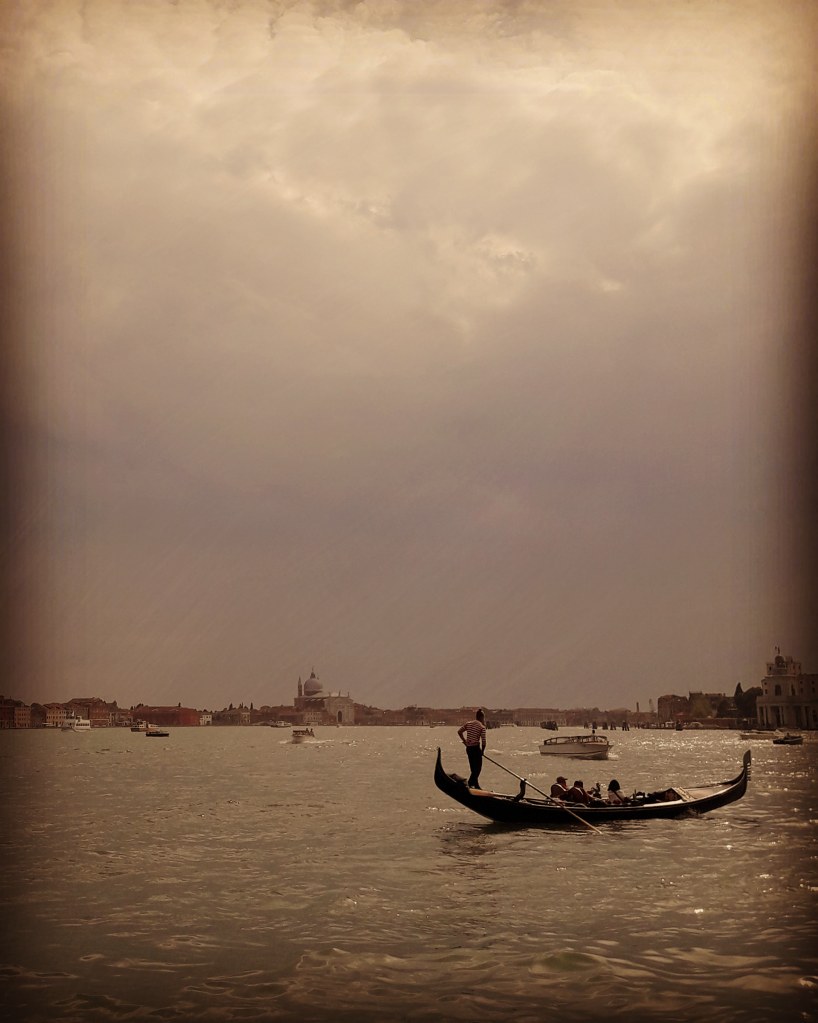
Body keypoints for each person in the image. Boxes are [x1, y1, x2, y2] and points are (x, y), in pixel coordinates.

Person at [457, 709, 487, 788]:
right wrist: (482, 751)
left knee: (473, 769)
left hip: (469, 749)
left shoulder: (468, 723)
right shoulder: (482, 727)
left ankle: (476, 785)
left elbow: (459, 732)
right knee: (478, 769)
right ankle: (470, 784)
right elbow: (484, 742)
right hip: (476, 749)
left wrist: (465, 741)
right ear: (481, 717)